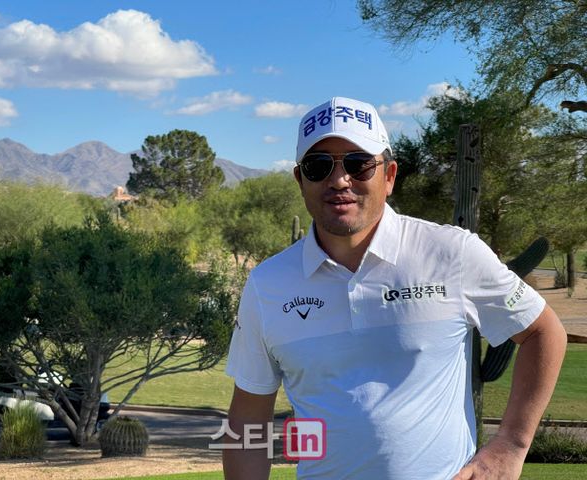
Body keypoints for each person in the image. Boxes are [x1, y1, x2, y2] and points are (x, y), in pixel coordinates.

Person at [223, 97, 567, 479]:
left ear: (388, 176)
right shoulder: (267, 285)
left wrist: (511, 444)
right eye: (318, 166)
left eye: (358, 163)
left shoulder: (451, 253)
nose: (339, 180)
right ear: (300, 180)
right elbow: (247, 421)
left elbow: (543, 331)